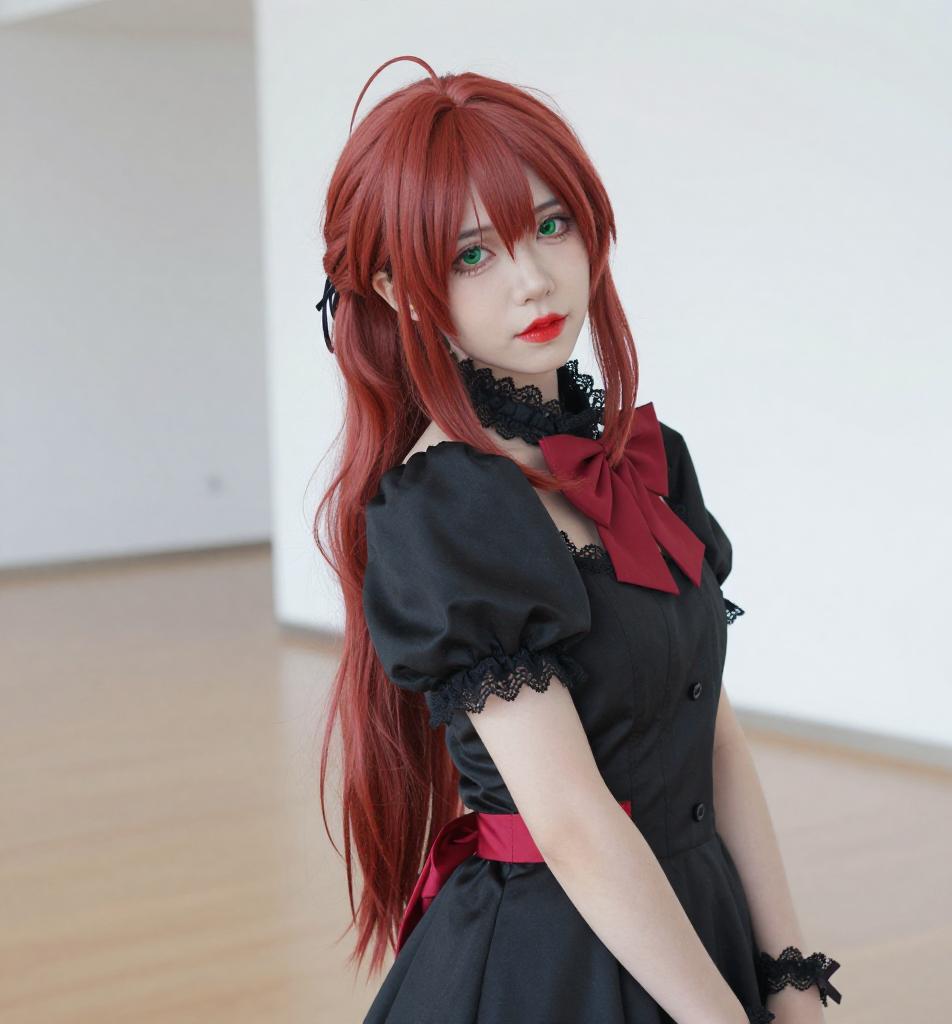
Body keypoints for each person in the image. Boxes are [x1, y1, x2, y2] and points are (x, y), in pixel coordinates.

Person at [313, 54, 843, 1024]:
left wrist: (790, 976)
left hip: (693, 924)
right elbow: (570, 821)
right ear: (401, 288)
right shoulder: (445, 509)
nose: (532, 279)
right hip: (555, 959)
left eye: (550, 225)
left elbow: (716, 739)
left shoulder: (647, 459)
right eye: (473, 254)